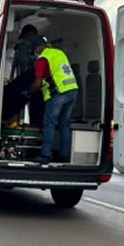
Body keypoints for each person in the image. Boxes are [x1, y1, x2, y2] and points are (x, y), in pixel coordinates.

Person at [25, 36, 78, 164]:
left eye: (34, 51)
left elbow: (37, 82)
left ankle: (45, 155)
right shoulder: (58, 53)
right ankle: (64, 155)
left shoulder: (43, 58)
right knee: (64, 124)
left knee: (49, 123)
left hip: (59, 94)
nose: (35, 53)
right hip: (73, 91)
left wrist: (29, 93)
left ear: (38, 48)